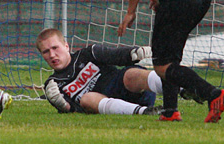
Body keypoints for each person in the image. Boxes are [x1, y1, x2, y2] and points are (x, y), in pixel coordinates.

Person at [36, 28, 164, 116]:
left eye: (55, 48)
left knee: (130, 74)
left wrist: (134, 53)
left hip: (133, 92)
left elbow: (115, 55)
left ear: (66, 46)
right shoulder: (53, 84)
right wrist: (63, 106)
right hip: (108, 107)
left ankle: (179, 87)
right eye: (46, 52)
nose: (52, 55)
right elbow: (75, 110)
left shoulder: (87, 54)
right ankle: (145, 112)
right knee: (87, 99)